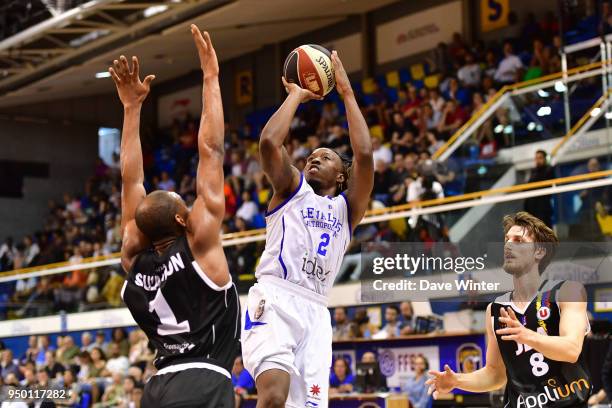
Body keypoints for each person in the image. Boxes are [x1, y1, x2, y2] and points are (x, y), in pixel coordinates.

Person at [112, 25, 239, 407]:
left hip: (156, 386)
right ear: (184, 221)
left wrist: (131, 108)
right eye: (186, 206)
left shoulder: (133, 261)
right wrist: (211, 76)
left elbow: (130, 179)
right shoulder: (199, 246)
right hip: (203, 380)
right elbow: (211, 150)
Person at [242, 50, 373, 408]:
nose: (314, 158)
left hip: (316, 311)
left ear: (341, 175)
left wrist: (346, 92)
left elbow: (364, 155)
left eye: (325, 156)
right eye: (311, 155)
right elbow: (269, 143)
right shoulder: (290, 189)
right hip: (276, 297)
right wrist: (296, 95)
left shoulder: (347, 209)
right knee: (273, 398)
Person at [427, 212, 591, 407]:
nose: (508, 244)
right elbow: (495, 374)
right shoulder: (495, 310)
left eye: (518, 240)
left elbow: (571, 349)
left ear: (539, 252)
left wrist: (526, 336)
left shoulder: (567, 291)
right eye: (506, 239)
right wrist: (457, 381)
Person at [524, 150, 554, 227]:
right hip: (531, 209)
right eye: (536, 158)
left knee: (545, 233)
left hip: (543, 209)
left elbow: (541, 183)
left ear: (545, 159)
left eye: (540, 158)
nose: (537, 160)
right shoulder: (533, 171)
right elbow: (527, 187)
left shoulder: (549, 170)